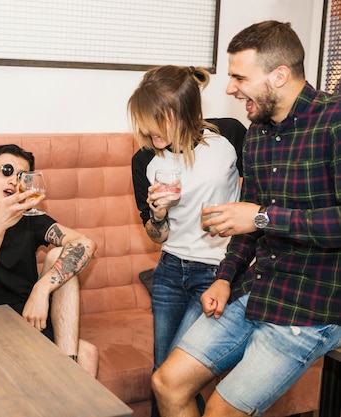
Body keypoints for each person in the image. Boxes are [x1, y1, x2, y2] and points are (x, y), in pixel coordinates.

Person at [152, 20, 341, 417]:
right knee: (167, 384)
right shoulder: (256, 134)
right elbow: (246, 222)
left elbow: (259, 218)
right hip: (256, 289)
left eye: (239, 77)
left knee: (220, 411)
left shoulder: (334, 123)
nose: (229, 88)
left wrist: (262, 218)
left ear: (279, 75)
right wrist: (224, 276)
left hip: (312, 306)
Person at [129, 65, 243, 416]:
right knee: (161, 374)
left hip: (217, 273)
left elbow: (261, 198)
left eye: (155, 120)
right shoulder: (145, 159)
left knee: (173, 377)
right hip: (169, 272)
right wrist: (159, 215)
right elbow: (155, 235)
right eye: (143, 121)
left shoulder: (229, 137)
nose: (148, 130)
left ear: (183, 112)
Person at [0, 144, 99, 376]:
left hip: (28, 322)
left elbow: (86, 244)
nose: (13, 180)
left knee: (88, 353)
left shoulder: (30, 221)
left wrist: (41, 289)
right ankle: (66, 378)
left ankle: (67, 374)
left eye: (21, 176)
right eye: (6, 170)